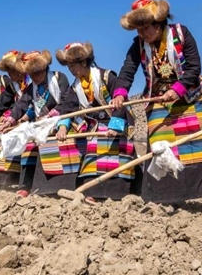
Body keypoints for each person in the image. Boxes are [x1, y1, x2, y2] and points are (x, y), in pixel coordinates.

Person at [111, 0, 202, 207]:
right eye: (138, 29)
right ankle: (164, 196)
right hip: (158, 100)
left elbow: (194, 66)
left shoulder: (181, 34)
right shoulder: (138, 45)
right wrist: (120, 93)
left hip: (189, 97)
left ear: (158, 23)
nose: (142, 33)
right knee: (160, 148)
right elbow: (127, 71)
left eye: (145, 28)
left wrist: (177, 90)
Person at [53, 42, 138, 201]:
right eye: (68, 66)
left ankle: (118, 193)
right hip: (97, 128)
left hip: (118, 123)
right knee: (93, 157)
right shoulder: (75, 87)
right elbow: (67, 110)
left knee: (119, 158)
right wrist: (63, 127)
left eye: (73, 65)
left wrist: (115, 126)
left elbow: (121, 101)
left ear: (84, 62)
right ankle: (93, 193)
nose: (71, 70)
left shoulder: (107, 76)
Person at [0, 50, 71, 196]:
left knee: (53, 143)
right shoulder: (32, 87)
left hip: (61, 119)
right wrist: (10, 120)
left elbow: (67, 101)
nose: (34, 78)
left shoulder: (59, 78)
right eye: (31, 74)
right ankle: (25, 186)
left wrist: (50, 116)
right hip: (40, 124)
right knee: (28, 146)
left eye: (37, 73)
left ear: (45, 69)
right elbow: (22, 104)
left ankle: (50, 187)